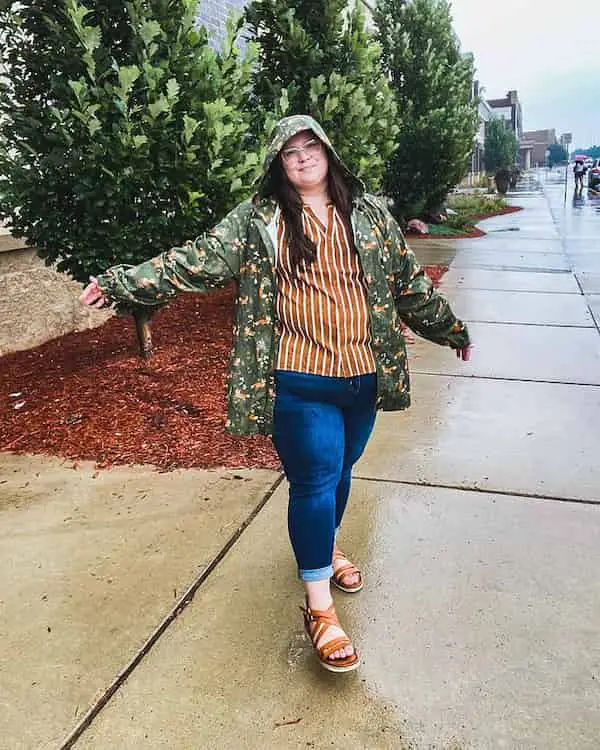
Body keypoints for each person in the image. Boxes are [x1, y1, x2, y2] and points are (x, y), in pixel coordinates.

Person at [81, 115, 472, 674]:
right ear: (278, 164)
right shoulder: (259, 221)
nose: (303, 156)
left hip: (364, 375)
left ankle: (327, 547)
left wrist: (453, 330)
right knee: (314, 477)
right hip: (299, 376)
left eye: (311, 146)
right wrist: (122, 282)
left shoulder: (369, 216)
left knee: (340, 471)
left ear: (329, 153)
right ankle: (319, 606)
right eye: (290, 151)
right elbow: (193, 259)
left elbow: (408, 284)